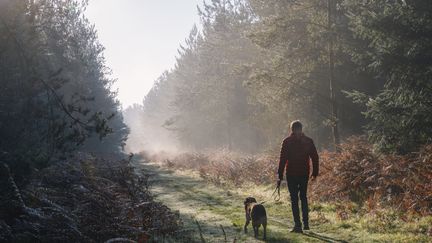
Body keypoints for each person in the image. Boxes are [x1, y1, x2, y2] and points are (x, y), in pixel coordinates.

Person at [277, 120, 319, 233]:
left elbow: (283, 159)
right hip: (303, 173)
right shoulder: (308, 141)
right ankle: (305, 224)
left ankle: (298, 225)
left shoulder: (287, 141)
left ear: (292, 129)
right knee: (303, 198)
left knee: (295, 199)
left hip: (292, 174)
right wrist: (315, 173)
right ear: (301, 128)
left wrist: (280, 174)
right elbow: (315, 158)